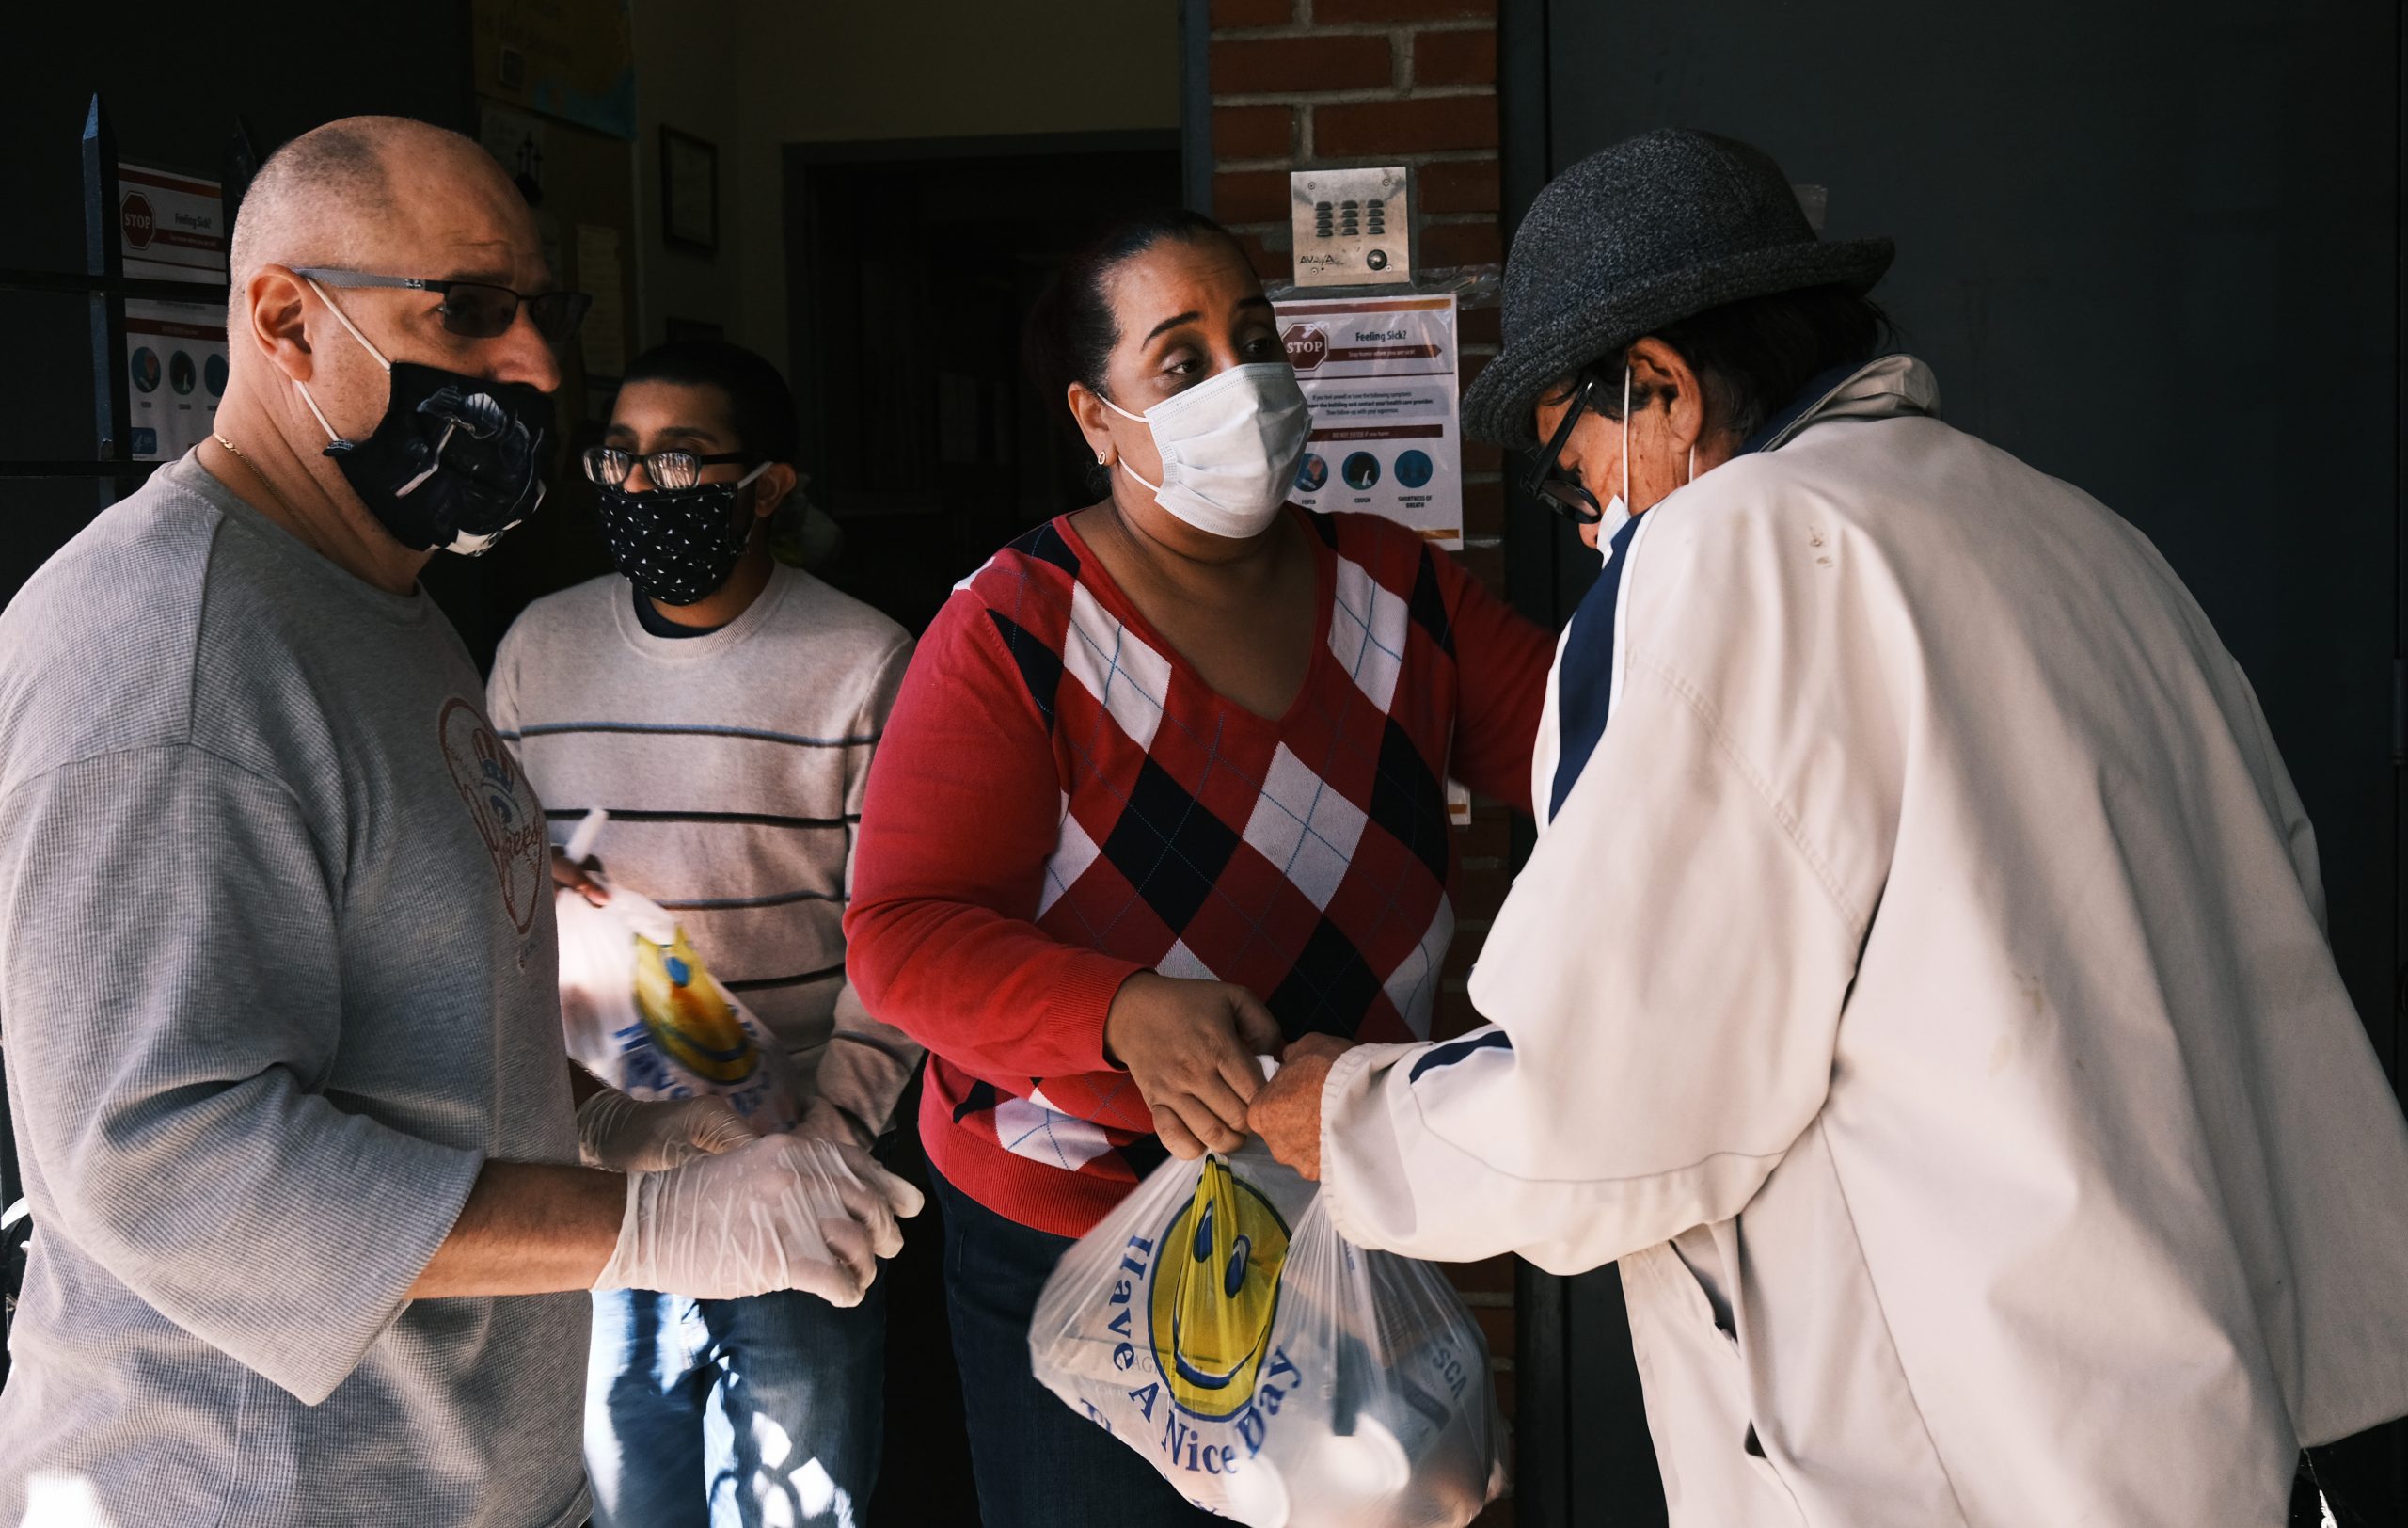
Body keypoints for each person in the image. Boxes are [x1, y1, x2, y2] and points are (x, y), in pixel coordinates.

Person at [1246, 128, 2408, 1527]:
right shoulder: (2082, 536)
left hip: (1970, 1459)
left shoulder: (1732, 548)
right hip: (2212, 1423)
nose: (1585, 514)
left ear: (1661, 387)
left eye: (1573, 464)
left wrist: (1359, 1123)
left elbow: (1623, 1101)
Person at [0, 117, 915, 1528]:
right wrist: (644, 1227)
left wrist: (615, 1126)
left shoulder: (383, 602)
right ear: (288, 321)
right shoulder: (168, 651)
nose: (541, 367)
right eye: (469, 311)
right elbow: (168, 1158)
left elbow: (417, 1038)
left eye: (546, 314)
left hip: (464, 1473)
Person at [843, 207, 1556, 1527]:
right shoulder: (1015, 627)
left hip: (1339, 1198)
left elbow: (1597, 754)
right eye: (1182, 359)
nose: (1243, 381)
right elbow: (900, 933)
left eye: (1256, 338)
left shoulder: (1402, 593)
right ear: (1096, 416)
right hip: (1082, 1233)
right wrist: (1119, 1011)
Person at [488, 338, 921, 1527]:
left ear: (768, 487)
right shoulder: (540, 646)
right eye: (615, 457)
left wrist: (821, 1140)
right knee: (633, 1482)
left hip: (795, 1154)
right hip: (606, 1163)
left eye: (679, 461)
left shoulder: (862, 662)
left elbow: (893, 933)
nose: (636, 489)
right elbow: (497, 897)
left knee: (802, 1492)